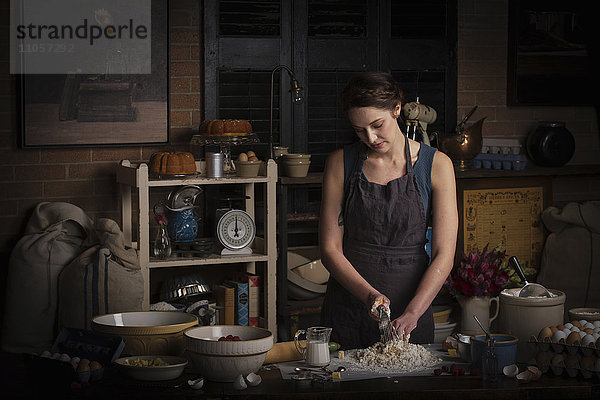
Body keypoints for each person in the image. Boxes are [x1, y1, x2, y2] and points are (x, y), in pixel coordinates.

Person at [319, 71, 458, 349]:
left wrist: (413, 313)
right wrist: (369, 296)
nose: (370, 137)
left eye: (377, 125)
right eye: (359, 130)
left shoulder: (437, 165)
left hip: (411, 310)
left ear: (397, 109)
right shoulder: (339, 163)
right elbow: (330, 249)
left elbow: (445, 253)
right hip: (349, 306)